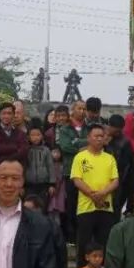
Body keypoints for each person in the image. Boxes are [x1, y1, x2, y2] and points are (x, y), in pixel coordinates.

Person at [71, 124, 119, 266]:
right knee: (84, 242)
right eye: (96, 136)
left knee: (104, 242)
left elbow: (115, 181)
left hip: (105, 207)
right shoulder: (80, 157)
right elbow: (76, 180)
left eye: (101, 136)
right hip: (85, 207)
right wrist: (92, 194)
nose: (99, 139)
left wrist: (102, 193)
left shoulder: (109, 158)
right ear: (88, 138)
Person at [55, 100, 89, 236]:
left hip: (88, 172)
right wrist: (84, 145)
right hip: (71, 171)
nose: (82, 111)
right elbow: (65, 147)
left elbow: (94, 144)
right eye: (79, 108)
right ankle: (71, 236)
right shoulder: (65, 129)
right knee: (71, 205)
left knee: (85, 204)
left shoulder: (89, 128)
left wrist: (77, 142)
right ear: (73, 110)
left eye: (84, 109)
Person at [0, 102, 29, 183]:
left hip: (15, 174)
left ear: (13, 115)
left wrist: (3, 158)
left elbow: (23, 152)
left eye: (9, 113)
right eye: (4, 113)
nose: (6, 116)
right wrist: (15, 147)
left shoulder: (21, 134)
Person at [105, 115, 133, 221]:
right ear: (109, 126)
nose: (117, 133)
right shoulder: (102, 138)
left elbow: (125, 164)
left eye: (119, 131)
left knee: (115, 208)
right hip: (101, 179)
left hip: (118, 180)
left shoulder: (125, 142)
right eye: (115, 130)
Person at [24, 124, 55, 200]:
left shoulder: (46, 150)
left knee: (42, 205)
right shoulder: (25, 150)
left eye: (38, 135)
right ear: (28, 137)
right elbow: (23, 167)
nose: (35, 137)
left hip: (43, 184)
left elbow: (50, 166)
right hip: (29, 185)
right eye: (33, 135)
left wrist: (52, 184)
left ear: (42, 136)